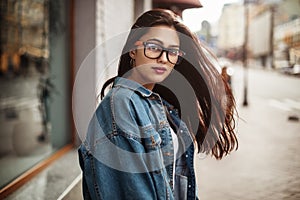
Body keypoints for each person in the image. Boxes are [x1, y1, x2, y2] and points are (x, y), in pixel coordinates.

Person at [78, 9, 238, 200]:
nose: (163, 58)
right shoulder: (121, 104)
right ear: (133, 50)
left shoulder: (159, 104)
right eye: (154, 47)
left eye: (172, 52)